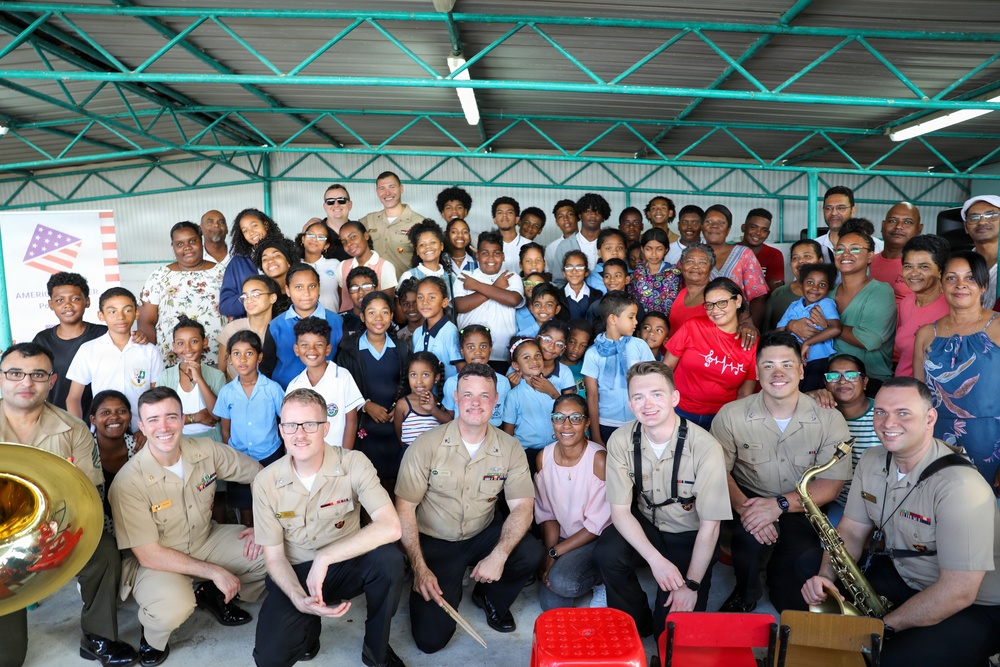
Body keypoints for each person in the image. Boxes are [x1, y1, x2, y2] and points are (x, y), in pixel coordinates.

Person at [802, 378, 1000, 667]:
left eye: (903, 412)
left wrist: (883, 626)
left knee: (891, 661)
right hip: (908, 576)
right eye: (880, 412)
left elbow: (959, 591)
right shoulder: (871, 459)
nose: (887, 422)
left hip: (976, 604)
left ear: (930, 417)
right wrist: (826, 579)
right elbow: (851, 531)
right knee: (809, 566)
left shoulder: (960, 487)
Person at [0, 343, 138, 667]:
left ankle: (98, 637)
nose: (26, 382)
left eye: (38, 375)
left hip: (53, 526)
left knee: (102, 552)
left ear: (52, 380)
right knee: (9, 659)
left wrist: (51, 531)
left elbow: (87, 492)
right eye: (16, 374)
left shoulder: (73, 428)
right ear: (1, 378)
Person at [108, 387, 267, 666]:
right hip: (158, 560)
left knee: (275, 550)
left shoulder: (205, 450)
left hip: (206, 539)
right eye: (153, 420)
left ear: (183, 420)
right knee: (173, 607)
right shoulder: (129, 482)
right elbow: (149, 554)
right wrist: (215, 571)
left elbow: (259, 474)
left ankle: (212, 592)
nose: (164, 427)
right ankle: (153, 638)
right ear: (142, 427)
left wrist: (262, 525)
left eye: (171, 417)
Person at [251, 389, 406, 667]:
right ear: (281, 430)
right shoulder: (265, 481)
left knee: (390, 560)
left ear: (326, 428)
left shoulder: (353, 463)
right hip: (296, 572)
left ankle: (377, 652)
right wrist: (299, 599)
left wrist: (325, 557)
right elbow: (274, 557)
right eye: (291, 425)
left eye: (310, 424)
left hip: (346, 563)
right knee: (269, 658)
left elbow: (391, 526)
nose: (300, 434)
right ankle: (308, 627)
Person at [395, 363, 542, 654]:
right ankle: (442, 577)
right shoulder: (425, 446)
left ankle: (488, 595)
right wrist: (419, 567)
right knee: (430, 641)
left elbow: (523, 506)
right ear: (455, 398)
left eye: (484, 396)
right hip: (436, 542)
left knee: (529, 552)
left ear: (496, 399)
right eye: (468, 395)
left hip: (481, 533)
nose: (476, 403)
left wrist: (499, 555)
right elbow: (404, 509)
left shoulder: (510, 447)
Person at [711, 331, 851, 613]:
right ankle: (745, 592)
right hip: (749, 498)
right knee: (748, 543)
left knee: (791, 599)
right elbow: (717, 472)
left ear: (801, 371)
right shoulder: (731, 414)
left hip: (802, 508)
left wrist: (779, 505)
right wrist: (749, 512)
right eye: (768, 365)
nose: (778, 373)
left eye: (787, 365)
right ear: (757, 371)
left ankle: (776, 576)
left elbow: (831, 484)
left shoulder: (829, 418)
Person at [596, 361, 731, 638]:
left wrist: (691, 584)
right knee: (607, 552)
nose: (648, 404)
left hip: (689, 533)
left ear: (674, 398)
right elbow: (620, 512)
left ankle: (659, 623)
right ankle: (634, 622)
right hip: (647, 524)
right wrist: (656, 561)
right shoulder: (621, 440)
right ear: (630, 404)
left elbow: (711, 527)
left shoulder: (706, 448)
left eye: (657, 394)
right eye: (638, 397)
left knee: (669, 636)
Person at [914, 251, 1000, 484]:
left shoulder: (998, 327)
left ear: (983, 285)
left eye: (970, 278)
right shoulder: (926, 334)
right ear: (941, 285)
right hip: (938, 439)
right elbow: (918, 398)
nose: (960, 285)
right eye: (952, 278)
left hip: (991, 440)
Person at [535, 394, 611, 611]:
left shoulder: (599, 459)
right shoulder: (544, 457)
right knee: (550, 606)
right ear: (552, 421)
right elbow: (547, 513)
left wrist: (554, 553)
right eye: (559, 417)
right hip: (562, 538)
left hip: (595, 538)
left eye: (575, 418)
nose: (566, 425)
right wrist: (551, 553)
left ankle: (602, 579)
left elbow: (597, 525)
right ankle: (570, 567)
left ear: (587, 423)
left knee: (564, 583)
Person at [336, 291, 411, 488]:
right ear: (362, 317)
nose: (379, 318)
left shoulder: (402, 348)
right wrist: (365, 405)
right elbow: (342, 388)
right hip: (364, 426)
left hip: (396, 425)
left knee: (398, 481)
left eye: (384, 312)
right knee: (366, 483)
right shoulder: (348, 351)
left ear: (392, 316)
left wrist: (400, 407)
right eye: (371, 313)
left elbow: (408, 384)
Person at [67, 287, 164, 434]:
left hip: (142, 432)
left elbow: (157, 395)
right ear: (101, 315)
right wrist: (80, 432)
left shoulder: (149, 351)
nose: (120, 317)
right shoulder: (89, 350)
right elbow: (73, 398)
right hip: (102, 433)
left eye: (127, 310)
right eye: (112, 311)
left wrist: (148, 428)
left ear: (137, 313)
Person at [665, 278, 758, 429]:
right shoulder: (692, 326)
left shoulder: (751, 344)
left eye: (722, 302)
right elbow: (667, 366)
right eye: (709, 305)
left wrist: (731, 423)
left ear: (738, 301)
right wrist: (666, 403)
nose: (715, 310)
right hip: (678, 410)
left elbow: (744, 393)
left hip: (720, 417)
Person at [213, 330, 285, 525]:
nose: (242, 359)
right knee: (246, 511)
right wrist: (230, 456)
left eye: (249, 353)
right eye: (236, 353)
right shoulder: (227, 392)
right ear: (229, 358)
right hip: (239, 459)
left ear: (259, 357)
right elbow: (225, 429)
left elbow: (285, 422)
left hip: (270, 455)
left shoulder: (272, 389)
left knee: (272, 506)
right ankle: (249, 552)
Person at [821, 220, 897, 391]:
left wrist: (828, 326)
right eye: (840, 249)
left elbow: (869, 339)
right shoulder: (829, 292)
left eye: (855, 249)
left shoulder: (880, 291)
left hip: (870, 380)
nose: (845, 254)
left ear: (870, 256)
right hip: (831, 379)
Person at [138, 221, 226, 365]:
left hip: (216, 356)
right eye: (179, 244)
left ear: (201, 240)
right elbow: (146, 321)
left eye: (192, 241)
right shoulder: (159, 276)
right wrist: (150, 360)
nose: (187, 248)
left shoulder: (222, 272)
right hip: (171, 358)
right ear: (173, 247)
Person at [582, 291, 655, 445]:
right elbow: (592, 397)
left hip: (638, 419)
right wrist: (596, 436)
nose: (636, 322)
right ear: (613, 319)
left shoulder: (639, 346)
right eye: (631, 317)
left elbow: (653, 381)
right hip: (606, 423)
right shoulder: (593, 354)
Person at [815, 354, 880, 524]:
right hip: (841, 503)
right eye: (834, 376)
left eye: (851, 375)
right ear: (825, 384)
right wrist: (810, 395)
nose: (842, 381)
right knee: (829, 547)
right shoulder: (819, 416)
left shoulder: (883, 414)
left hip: (884, 504)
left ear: (864, 382)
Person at [33, 272, 109, 414]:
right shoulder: (42, 340)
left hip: (103, 420)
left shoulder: (104, 334)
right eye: (60, 300)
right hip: (58, 418)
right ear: (51, 304)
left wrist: (140, 336)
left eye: (75, 299)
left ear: (87, 301)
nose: (67, 305)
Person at [286, 316, 364, 449]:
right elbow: (289, 427)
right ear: (296, 349)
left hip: (336, 456)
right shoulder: (294, 385)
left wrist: (344, 457)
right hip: (306, 458)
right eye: (305, 345)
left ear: (328, 349)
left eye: (319, 345)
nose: (312, 350)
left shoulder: (343, 377)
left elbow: (351, 422)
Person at [454, 231, 526, 369]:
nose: (491, 258)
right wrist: (496, 288)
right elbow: (461, 305)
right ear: (477, 256)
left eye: (496, 253)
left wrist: (477, 286)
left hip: (503, 354)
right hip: (470, 354)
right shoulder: (465, 276)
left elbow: (513, 300)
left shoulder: (511, 276)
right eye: (485, 253)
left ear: (503, 256)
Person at [269, 263, 344, 389]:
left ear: (319, 288)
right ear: (288, 290)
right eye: (298, 287)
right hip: (286, 394)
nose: (306, 293)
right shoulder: (276, 326)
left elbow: (343, 363)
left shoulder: (337, 322)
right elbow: (267, 367)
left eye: (312, 286)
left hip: (329, 394)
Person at [156, 316, 225, 442]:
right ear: (174, 346)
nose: (187, 348)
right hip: (176, 441)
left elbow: (217, 415)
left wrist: (199, 379)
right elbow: (160, 416)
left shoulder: (217, 375)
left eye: (194, 341)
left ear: (205, 342)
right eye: (181, 343)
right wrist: (195, 418)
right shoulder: (166, 376)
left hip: (211, 440)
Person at [775, 263, 842, 391]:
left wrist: (807, 343)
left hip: (818, 359)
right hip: (794, 359)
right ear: (801, 284)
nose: (815, 288)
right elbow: (779, 331)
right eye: (810, 282)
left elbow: (836, 328)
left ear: (828, 289)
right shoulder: (794, 306)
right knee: (795, 391)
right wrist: (795, 343)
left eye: (822, 285)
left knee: (813, 393)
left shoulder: (826, 304)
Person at [702, 204, 768, 330]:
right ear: (702, 227)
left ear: (728, 229)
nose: (714, 226)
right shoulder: (693, 255)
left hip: (737, 328)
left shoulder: (744, 254)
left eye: (721, 222)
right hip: (703, 328)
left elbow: (758, 297)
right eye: (709, 221)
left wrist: (750, 326)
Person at [894, 235, 949, 377]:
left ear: (940, 271)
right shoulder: (907, 302)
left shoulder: (951, 308)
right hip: (901, 389)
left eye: (924, 266)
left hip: (929, 394)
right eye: (908, 266)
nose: (914, 273)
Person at [358, 171, 427, 276]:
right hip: (375, 289)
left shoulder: (420, 222)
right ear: (377, 192)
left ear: (401, 188)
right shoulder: (368, 221)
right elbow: (347, 234)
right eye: (382, 188)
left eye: (392, 187)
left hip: (405, 289)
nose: (387, 193)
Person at [441, 324, 511, 426]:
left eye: (483, 346)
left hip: (494, 436)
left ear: (490, 349)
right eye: (470, 347)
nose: (477, 352)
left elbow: (506, 419)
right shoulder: (452, 383)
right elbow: (450, 417)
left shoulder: (503, 382)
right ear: (462, 351)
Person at [220, 208, 285, 318]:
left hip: (283, 320)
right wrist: (253, 298)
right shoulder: (238, 262)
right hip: (251, 326)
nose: (251, 233)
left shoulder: (285, 253)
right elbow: (225, 305)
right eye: (245, 230)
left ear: (266, 225)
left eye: (254, 225)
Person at [216, 275, 279, 380]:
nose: (249, 300)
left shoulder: (281, 331)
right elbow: (221, 372)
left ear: (272, 298)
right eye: (245, 296)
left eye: (256, 294)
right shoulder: (232, 329)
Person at [551, 193, 611, 286]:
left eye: (597, 211)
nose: (593, 215)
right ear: (579, 215)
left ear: (603, 217)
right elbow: (558, 281)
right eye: (588, 211)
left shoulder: (611, 244)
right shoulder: (564, 246)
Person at [764, 239, 823, 331]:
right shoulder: (779, 294)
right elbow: (767, 333)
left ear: (820, 261)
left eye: (807, 256)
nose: (801, 261)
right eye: (795, 258)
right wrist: (790, 327)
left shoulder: (833, 293)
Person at [869, 202, 922, 303]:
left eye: (907, 222)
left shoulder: (925, 269)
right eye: (892, 221)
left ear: (919, 229)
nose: (898, 226)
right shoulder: (866, 263)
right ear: (883, 226)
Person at [394, 351, 451, 446]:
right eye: (413, 375)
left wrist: (433, 409)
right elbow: (399, 433)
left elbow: (450, 423)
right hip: (410, 456)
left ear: (436, 377)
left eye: (425, 375)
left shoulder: (439, 403)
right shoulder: (403, 404)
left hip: (434, 457)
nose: (419, 381)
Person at [412, 276, 462, 382]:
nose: (425, 302)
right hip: (421, 395)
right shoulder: (417, 333)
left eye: (431, 297)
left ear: (444, 302)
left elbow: (460, 369)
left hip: (445, 396)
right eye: (420, 297)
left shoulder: (450, 332)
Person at [814, 185, 883, 261]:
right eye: (828, 208)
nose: (834, 213)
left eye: (841, 208)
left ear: (853, 210)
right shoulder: (815, 246)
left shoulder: (877, 246)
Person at [629, 227, 682, 315]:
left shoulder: (674, 274)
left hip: (667, 324)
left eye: (659, 249)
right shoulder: (637, 274)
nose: (654, 254)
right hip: (642, 325)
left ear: (666, 250)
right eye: (648, 249)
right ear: (642, 249)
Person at [960, 194, 1000, 309]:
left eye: (991, 215)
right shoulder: (959, 264)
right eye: (974, 217)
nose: (982, 222)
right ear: (966, 227)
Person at [296, 219, 342, 313]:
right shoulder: (295, 266)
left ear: (326, 246)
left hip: (331, 321)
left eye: (321, 237)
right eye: (311, 234)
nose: (314, 239)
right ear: (303, 239)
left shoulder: (335, 264)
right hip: (303, 323)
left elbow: (343, 295)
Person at [668, 243, 713, 333]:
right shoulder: (680, 293)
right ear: (681, 265)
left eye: (702, 263)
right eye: (690, 261)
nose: (695, 266)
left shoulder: (716, 294)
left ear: (711, 267)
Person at [738, 208, 784, 292]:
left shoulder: (774, 254)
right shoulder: (730, 251)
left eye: (764, 230)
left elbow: (774, 288)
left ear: (768, 234)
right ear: (743, 228)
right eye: (753, 227)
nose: (758, 233)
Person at [490, 196, 528, 274]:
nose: (504, 215)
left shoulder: (529, 245)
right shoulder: (488, 246)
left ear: (517, 219)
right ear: (494, 220)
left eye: (509, 212)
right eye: (500, 212)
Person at [563, 250, 603, 320]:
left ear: (586, 272)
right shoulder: (557, 296)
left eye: (579, 267)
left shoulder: (597, 295)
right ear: (564, 272)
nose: (574, 271)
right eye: (569, 267)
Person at [319, 183, 354, 261]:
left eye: (342, 200)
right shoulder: (313, 235)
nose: (336, 205)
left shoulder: (359, 232)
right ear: (325, 207)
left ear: (350, 205)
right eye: (330, 201)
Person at [545, 199, 579, 275]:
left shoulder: (587, 241)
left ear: (577, 217)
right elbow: (551, 275)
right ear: (557, 222)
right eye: (561, 217)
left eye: (570, 214)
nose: (566, 219)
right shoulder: (551, 248)